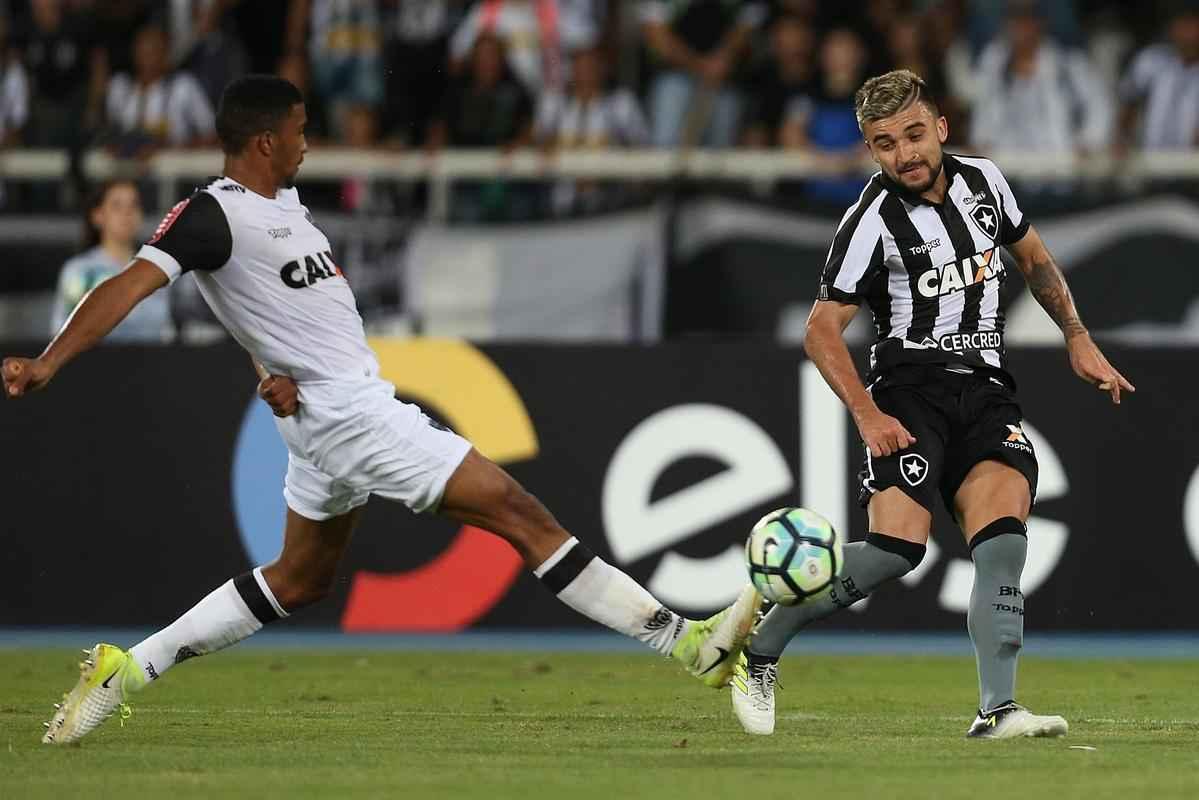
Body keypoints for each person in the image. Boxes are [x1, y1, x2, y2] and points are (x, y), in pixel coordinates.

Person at [2, 75, 760, 746]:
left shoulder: (286, 208)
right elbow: (128, 284)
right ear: (265, 140)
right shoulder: (211, 214)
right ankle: (688, 646)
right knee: (519, 512)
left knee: (299, 581)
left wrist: (269, 367)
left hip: (325, 412)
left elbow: (262, 310)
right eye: (299, 130)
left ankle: (127, 670)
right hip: (349, 415)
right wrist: (48, 361)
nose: (308, 142)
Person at [728, 69, 1133, 739]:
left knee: (1002, 543)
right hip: (907, 392)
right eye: (885, 143)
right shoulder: (869, 221)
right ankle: (761, 648)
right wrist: (866, 413)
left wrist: (1077, 338)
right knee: (894, 551)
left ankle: (996, 709)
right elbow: (819, 330)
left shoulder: (985, 184)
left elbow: (1032, 259)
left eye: (914, 135)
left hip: (985, 392)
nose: (904, 154)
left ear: (940, 128)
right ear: (870, 149)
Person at [51, 179, 171, 342]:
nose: (127, 213)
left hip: (153, 361)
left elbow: (168, 329)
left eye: (133, 205)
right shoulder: (80, 270)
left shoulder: (158, 267)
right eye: (117, 206)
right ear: (98, 215)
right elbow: (61, 331)